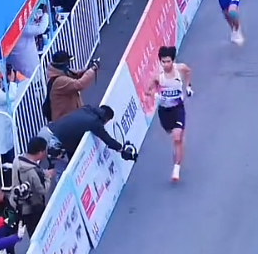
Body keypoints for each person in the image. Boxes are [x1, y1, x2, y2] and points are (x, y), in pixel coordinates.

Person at [38, 105, 137, 172]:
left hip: (47, 130)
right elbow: (107, 139)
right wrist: (121, 149)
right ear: (106, 119)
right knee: (61, 171)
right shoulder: (95, 123)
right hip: (52, 139)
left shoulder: (86, 109)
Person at [145, 46, 193, 182]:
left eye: (168, 61)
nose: (166, 64)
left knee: (177, 138)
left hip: (178, 109)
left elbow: (188, 72)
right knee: (171, 133)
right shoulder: (157, 76)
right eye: (163, 62)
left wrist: (188, 86)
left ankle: (176, 168)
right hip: (164, 111)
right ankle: (179, 140)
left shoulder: (180, 69)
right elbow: (147, 91)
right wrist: (156, 96)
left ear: (173, 60)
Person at [10, 137, 53, 236]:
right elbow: (42, 190)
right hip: (32, 208)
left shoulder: (17, 160)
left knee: (30, 232)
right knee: (38, 234)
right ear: (40, 152)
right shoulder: (32, 172)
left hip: (18, 204)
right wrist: (48, 176)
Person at [46, 51, 100, 122]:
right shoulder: (59, 81)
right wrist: (92, 70)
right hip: (64, 120)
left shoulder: (59, 72)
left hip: (70, 115)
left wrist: (87, 69)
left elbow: (75, 74)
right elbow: (80, 84)